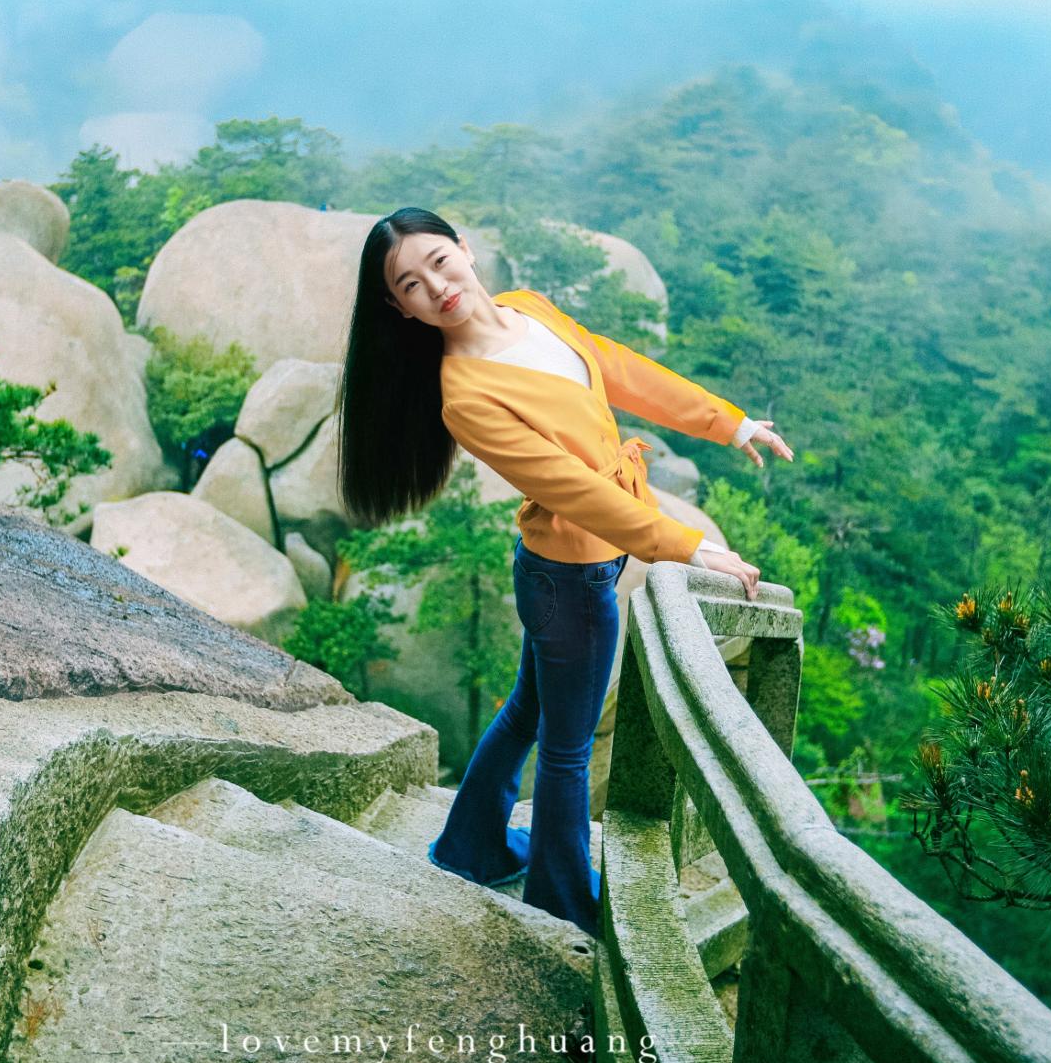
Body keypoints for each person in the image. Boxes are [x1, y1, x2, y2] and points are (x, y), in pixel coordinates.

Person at [335, 207, 793, 937]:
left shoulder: (528, 308)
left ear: (464, 249)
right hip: (569, 579)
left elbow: (617, 367)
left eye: (438, 262)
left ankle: (470, 846)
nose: (437, 287)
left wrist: (726, 421)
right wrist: (684, 545)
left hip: (572, 570)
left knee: (530, 708)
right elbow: (573, 489)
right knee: (569, 750)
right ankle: (562, 897)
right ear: (400, 308)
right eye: (411, 284)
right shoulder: (465, 397)